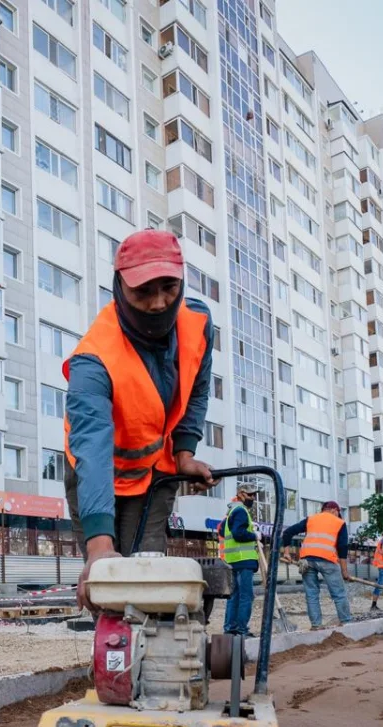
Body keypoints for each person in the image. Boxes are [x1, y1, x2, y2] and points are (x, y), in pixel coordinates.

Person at [63, 229, 216, 608]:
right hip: (96, 474)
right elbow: (93, 448)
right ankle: (117, 664)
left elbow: (196, 388)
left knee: (149, 574)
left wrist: (184, 452)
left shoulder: (197, 323)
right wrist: (99, 547)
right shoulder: (93, 360)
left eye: (168, 286)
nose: (158, 302)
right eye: (143, 290)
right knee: (109, 582)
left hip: (155, 471)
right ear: (119, 286)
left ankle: (164, 658)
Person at [281, 501, 353, 630]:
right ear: (334, 510)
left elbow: (287, 533)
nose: (338, 516)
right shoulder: (339, 523)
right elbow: (342, 548)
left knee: (311, 594)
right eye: (338, 513)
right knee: (338, 594)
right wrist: (344, 572)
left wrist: (287, 552)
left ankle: (316, 625)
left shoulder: (311, 519)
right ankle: (346, 622)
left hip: (306, 561)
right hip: (327, 560)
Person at [221, 483, 261, 636]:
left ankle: (230, 629)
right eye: (250, 495)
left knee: (234, 596)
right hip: (243, 560)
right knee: (246, 596)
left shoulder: (231, 512)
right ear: (242, 494)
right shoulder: (241, 511)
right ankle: (242, 630)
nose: (253, 498)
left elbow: (222, 530)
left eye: (254, 496)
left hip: (232, 561)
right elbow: (238, 533)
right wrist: (254, 535)